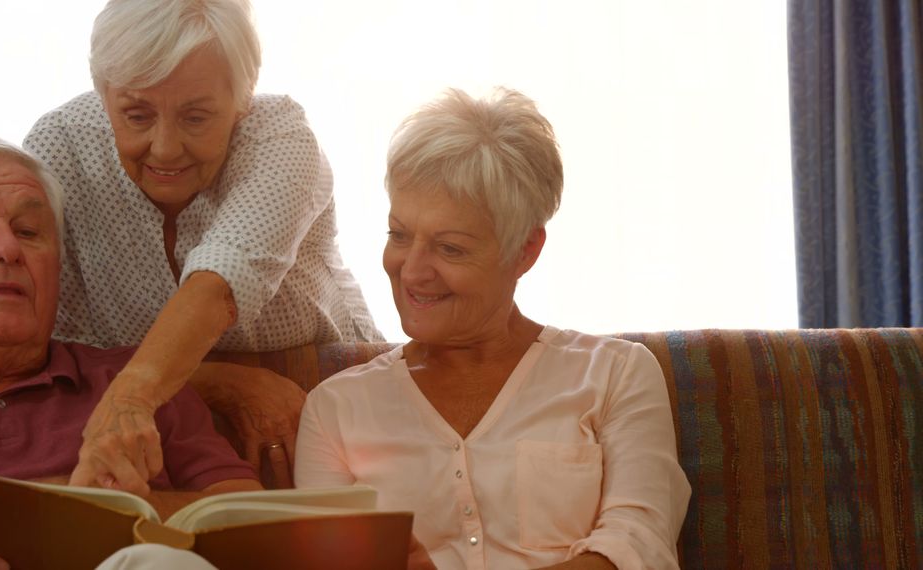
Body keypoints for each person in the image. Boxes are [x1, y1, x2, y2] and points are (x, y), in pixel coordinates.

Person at [294, 88, 691, 570]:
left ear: (526, 250)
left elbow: (638, 548)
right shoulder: (334, 409)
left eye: (451, 248)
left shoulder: (617, 375)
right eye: (399, 235)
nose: (412, 271)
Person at [0, 137, 261, 569]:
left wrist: (109, 513)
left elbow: (252, 523)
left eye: (29, 232)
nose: (7, 250)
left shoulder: (135, 382)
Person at [23, 0, 383, 494]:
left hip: (315, 388)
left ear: (242, 97)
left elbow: (221, 281)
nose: (165, 147)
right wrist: (216, 382)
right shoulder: (59, 149)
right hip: (141, 411)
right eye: (136, 114)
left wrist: (130, 399)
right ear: (103, 95)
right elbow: (49, 339)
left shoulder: (281, 136)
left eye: (196, 117)